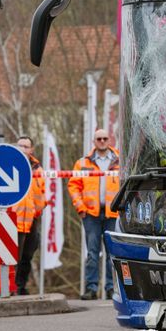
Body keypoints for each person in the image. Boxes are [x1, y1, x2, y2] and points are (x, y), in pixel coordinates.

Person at [67, 128, 120, 300]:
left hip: (113, 213)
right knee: (92, 252)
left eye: (105, 138)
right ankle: (91, 288)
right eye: (99, 139)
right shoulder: (83, 162)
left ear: (109, 140)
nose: (102, 141)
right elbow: (73, 185)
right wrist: (80, 207)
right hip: (90, 214)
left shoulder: (120, 159)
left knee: (112, 252)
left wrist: (123, 208)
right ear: (94, 141)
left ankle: (111, 288)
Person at [13, 135, 46, 296]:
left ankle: (21, 285)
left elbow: (42, 194)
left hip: (33, 218)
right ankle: (9, 287)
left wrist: (37, 212)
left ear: (31, 149)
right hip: (14, 218)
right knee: (13, 256)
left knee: (28, 254)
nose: (23, 149)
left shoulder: (37, 169)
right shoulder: (9, 164)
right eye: (20, 146)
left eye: (26, 146)